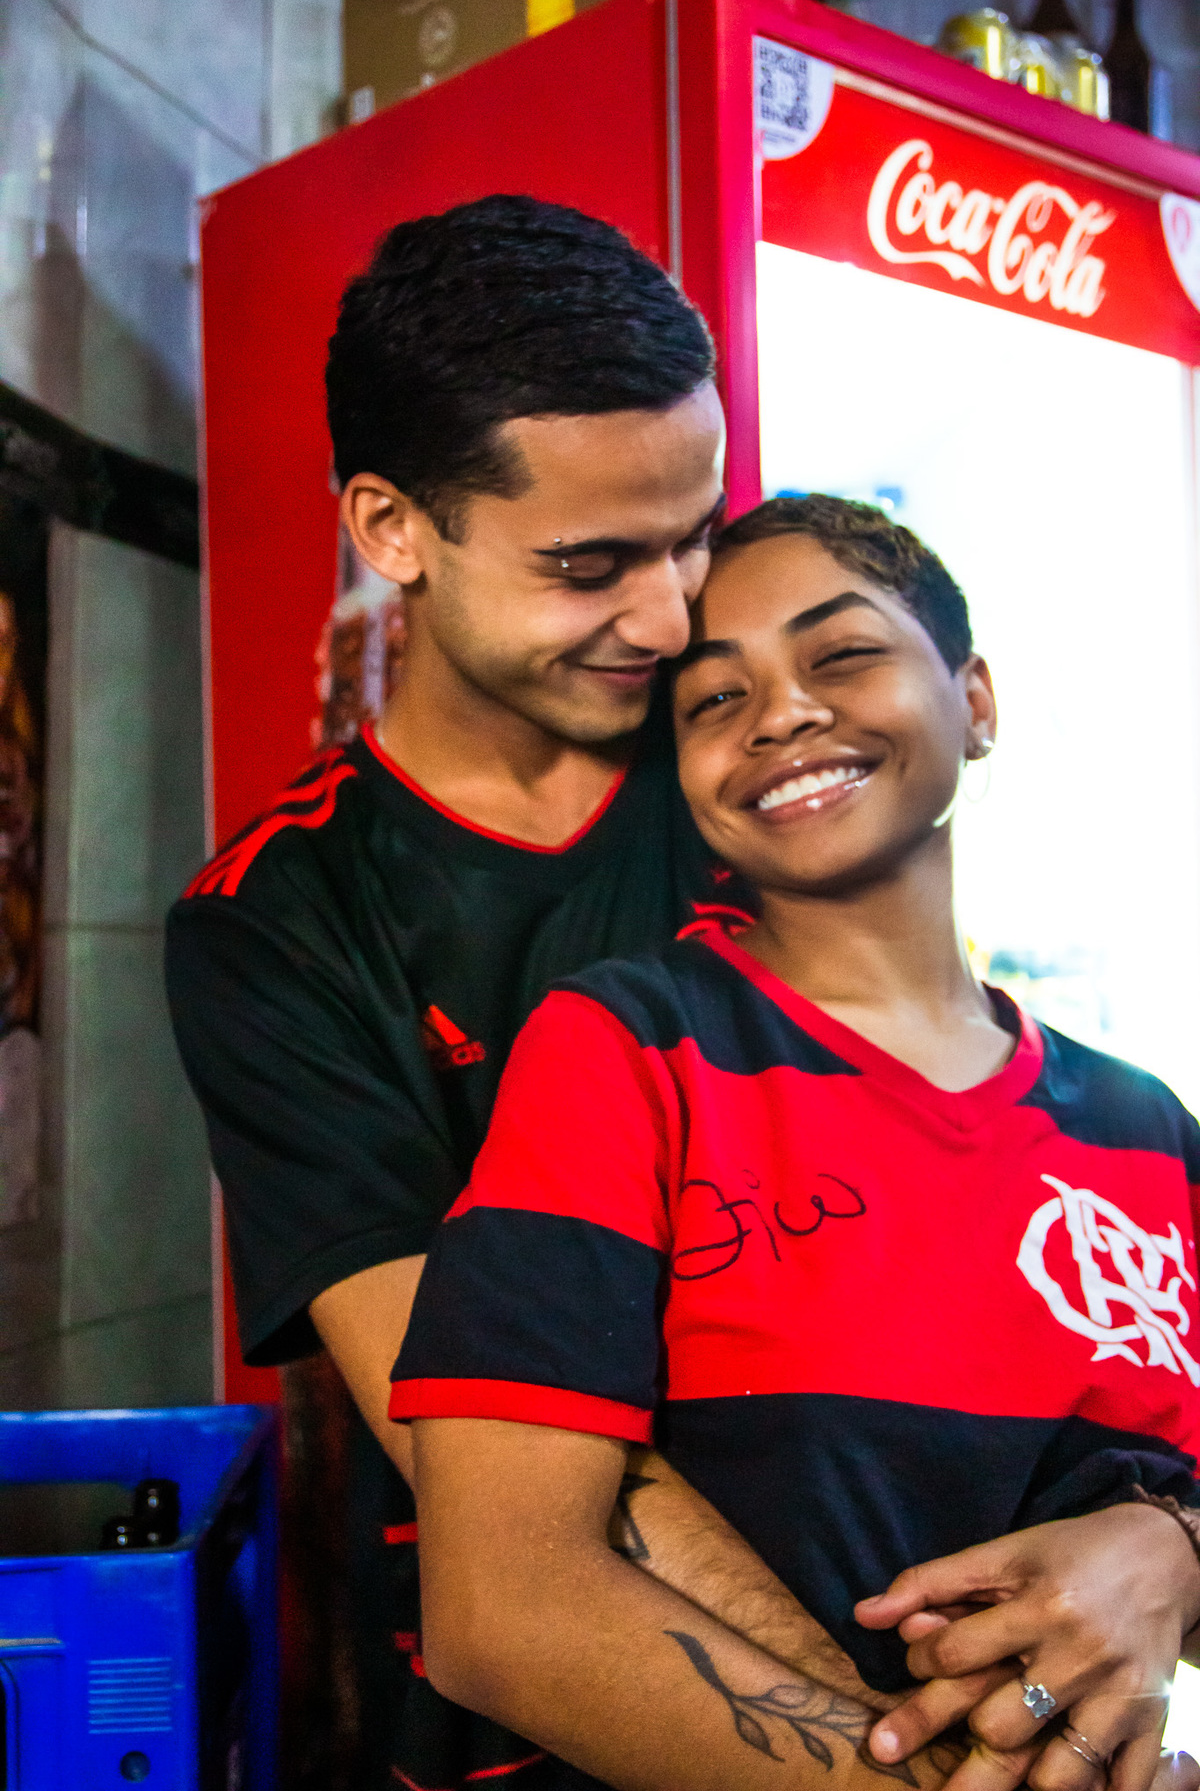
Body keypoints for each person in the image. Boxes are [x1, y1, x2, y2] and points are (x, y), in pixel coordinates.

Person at [167, 198, 883, 1791]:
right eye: (589, 565)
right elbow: (479, 1435)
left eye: (693, 536)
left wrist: (1140, 1525)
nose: (672, 616)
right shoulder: (278, 922)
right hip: (552, 1716)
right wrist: (891, 1739)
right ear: (393, 527)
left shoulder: (762, 767)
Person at [391, 495, 1200, 1791]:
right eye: (716, 699)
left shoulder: (1145, 1130)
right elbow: (501, 1616)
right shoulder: (629, 1054)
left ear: (975, 700)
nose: (781, 714)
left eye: (843, 654)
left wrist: (1171, 1556)